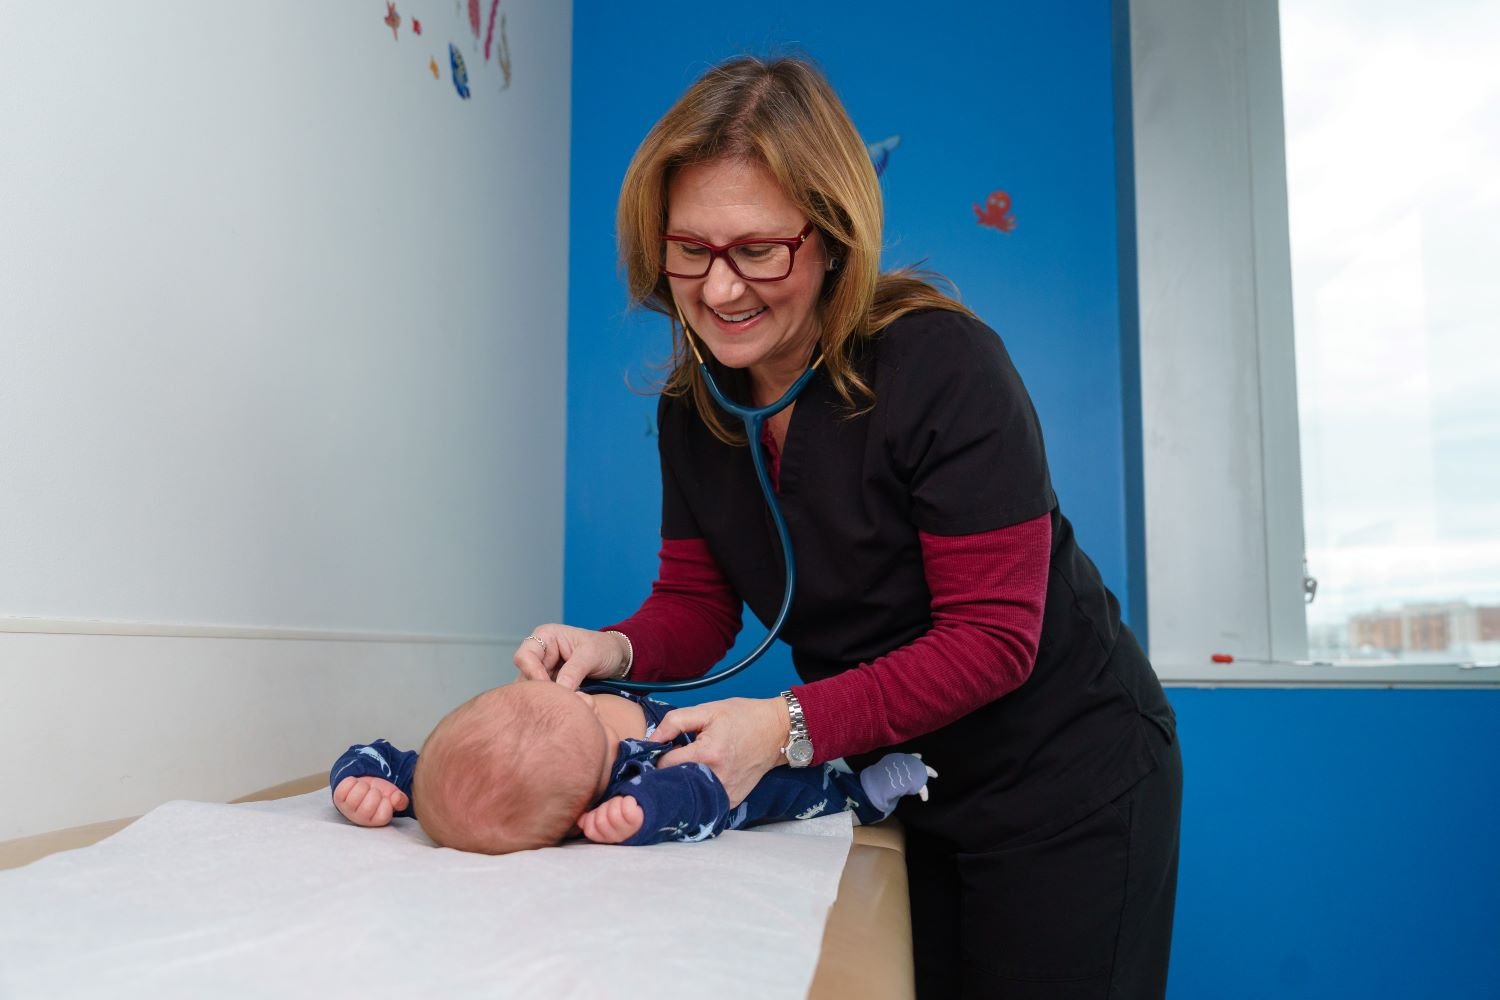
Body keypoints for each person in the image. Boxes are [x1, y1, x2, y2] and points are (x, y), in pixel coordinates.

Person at [513, 55, 1183, 998]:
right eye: (690, 249)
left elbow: (993, 641)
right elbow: (699, 605)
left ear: (830, 238)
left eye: (759, 249)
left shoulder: (941, 367)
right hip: (908, 780)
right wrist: (610, 647)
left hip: (1065, 776)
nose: (720, 288)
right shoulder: (693, 408)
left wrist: (784, 728)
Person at [329, 679, 937, 852]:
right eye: (598, 728)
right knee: (794, 789)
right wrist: (644, 814)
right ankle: (863, 795)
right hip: (740, 780)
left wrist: (358, 777)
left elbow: (380, 754)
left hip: (742, 726)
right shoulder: (630, 787)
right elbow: (701, 803)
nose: (597, 708)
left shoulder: (441, 770)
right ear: (580, 811)